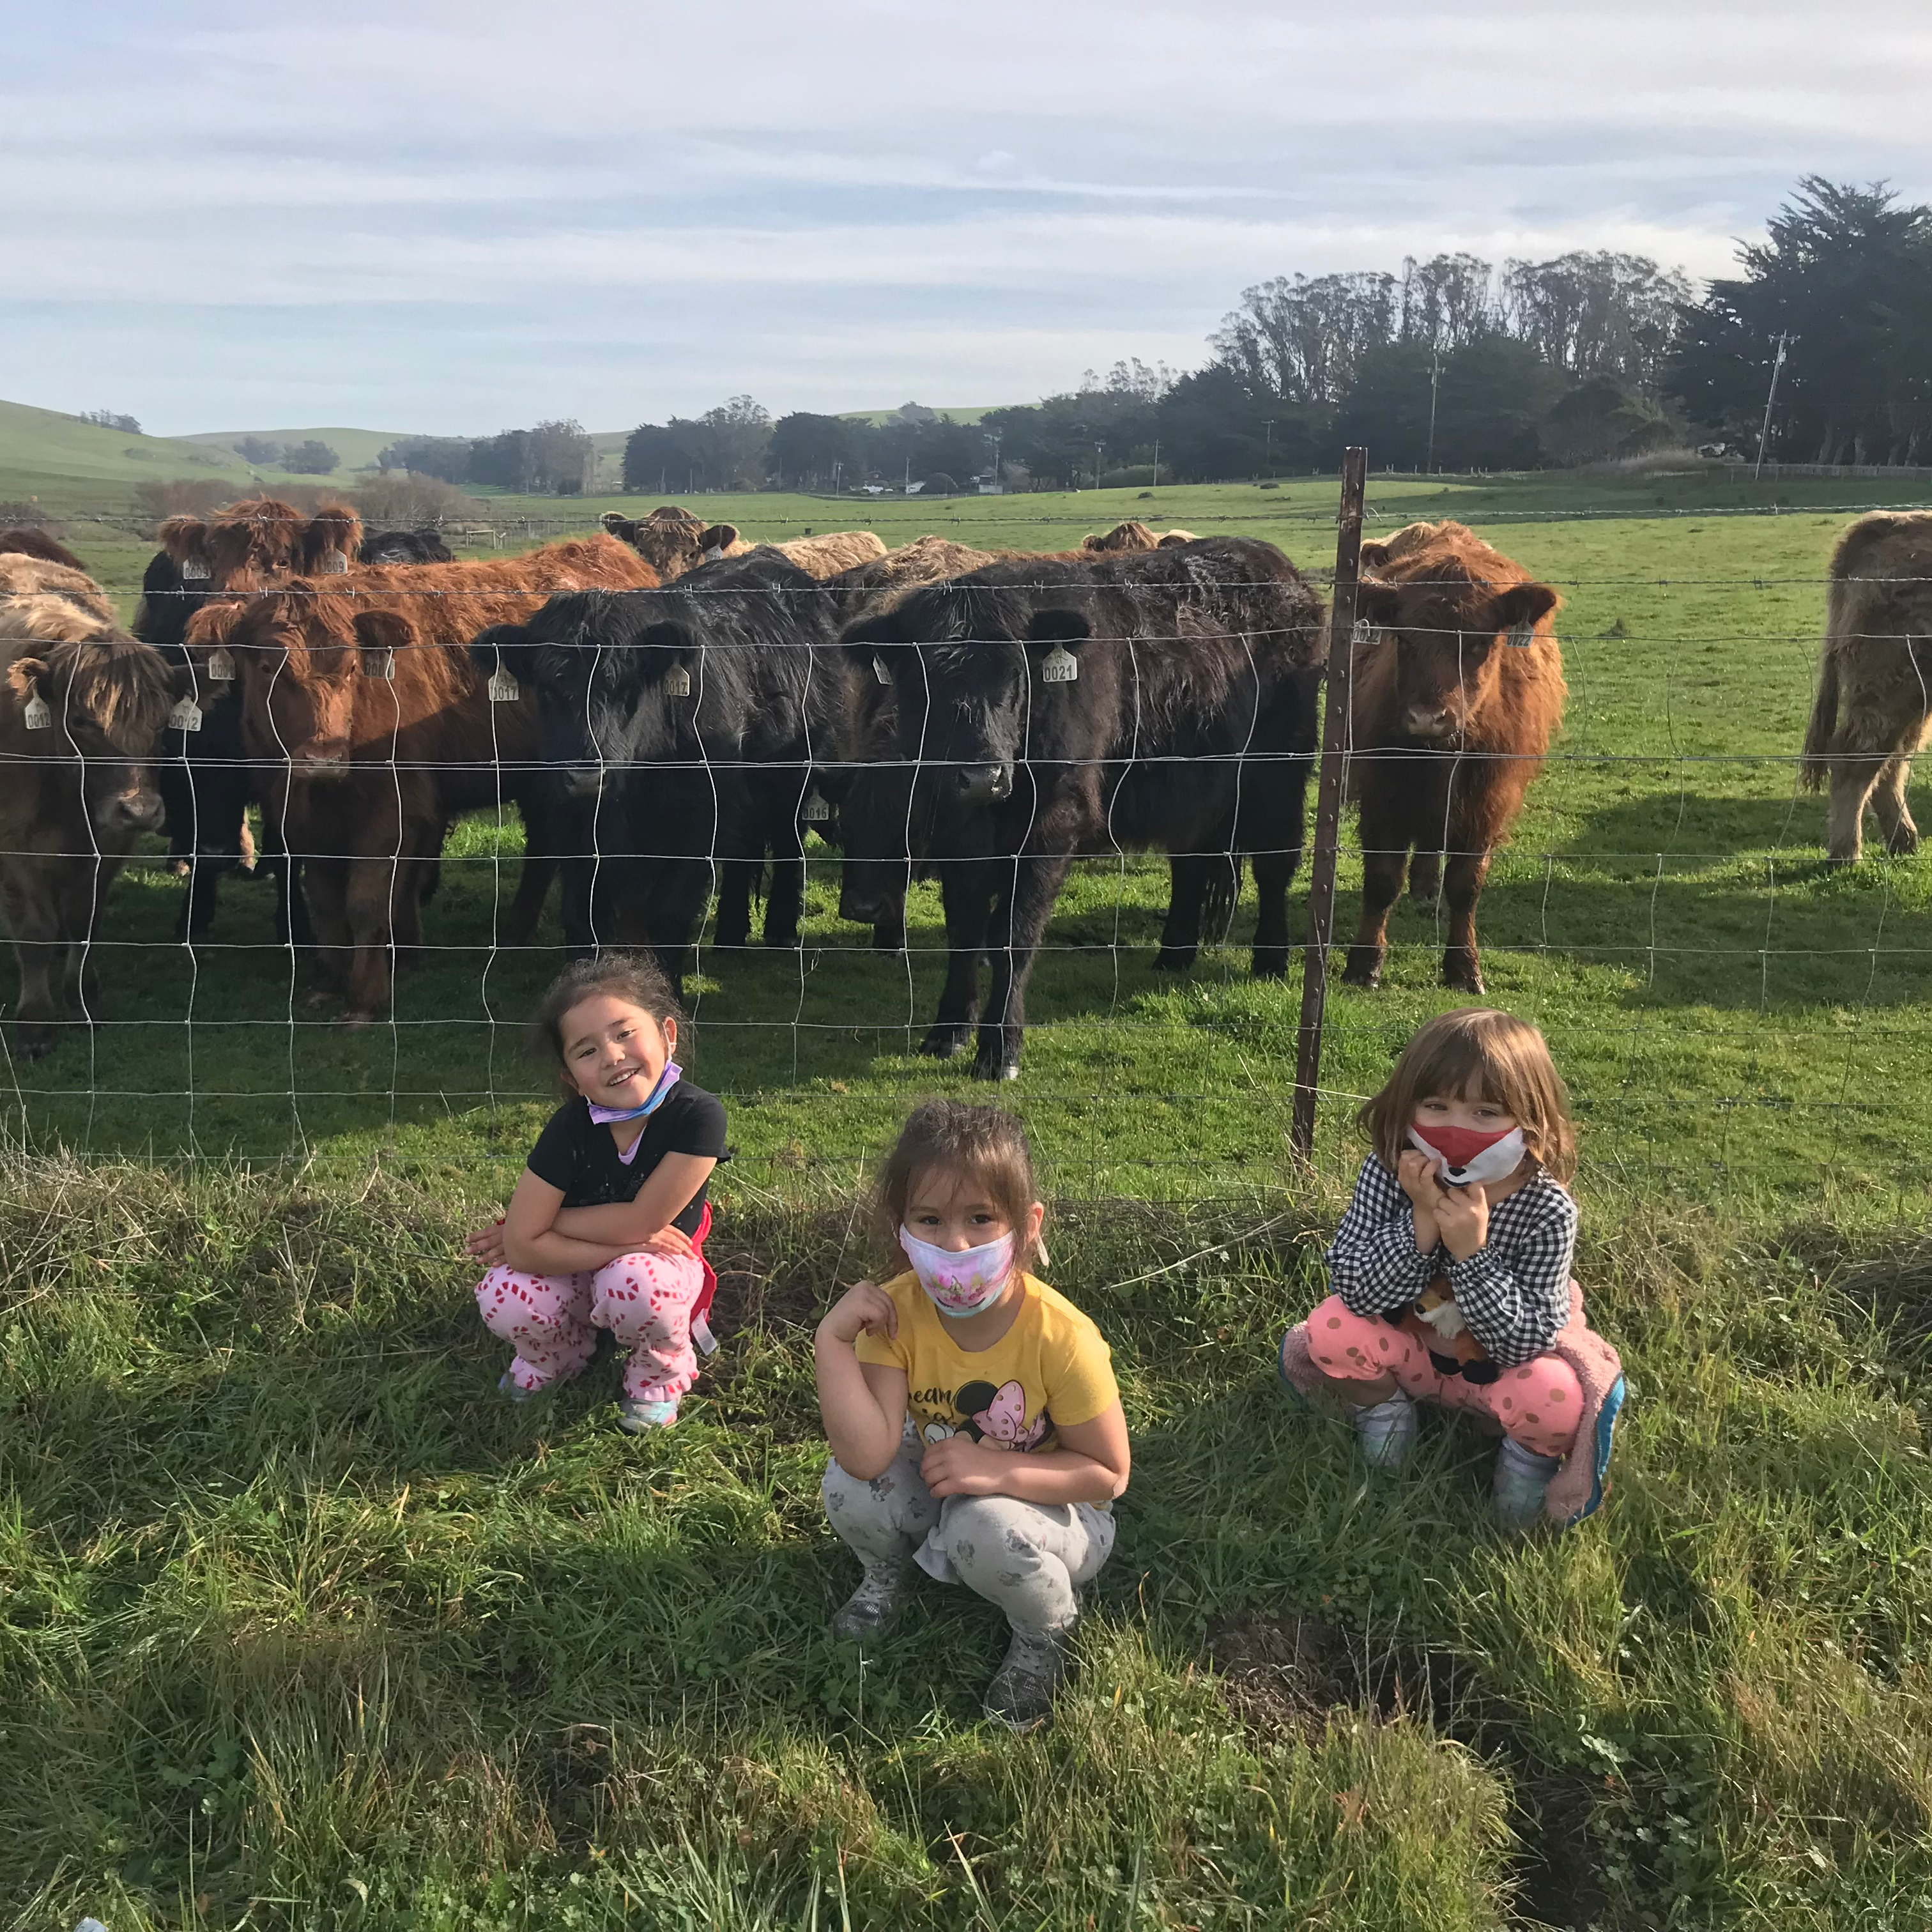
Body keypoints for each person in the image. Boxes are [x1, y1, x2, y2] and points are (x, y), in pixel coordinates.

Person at [814, 1100, 1130, 1731]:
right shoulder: (896, 1314)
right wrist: (831, 1343)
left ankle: (1045, 1633)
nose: (954, 1245)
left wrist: (996, 1472)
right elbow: (867, 1455)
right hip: (948, 1478)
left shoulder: (1062, 1336)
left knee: (981, 1526)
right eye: (929, 1220)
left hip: (1058, 1513)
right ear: (900, 1229)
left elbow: (1108, 1474)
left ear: (1028, 1224)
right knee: (848, 1488)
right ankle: (888, 1573)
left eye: (981, 1218)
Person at [1280, 1008, 1624, 1527]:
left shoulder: (1547, 1208)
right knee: (1329, 1328)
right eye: (1436, 1105)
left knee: (1557, 1397)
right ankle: (1384, 1409)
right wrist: (1421, 1222)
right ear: (1408, 1106)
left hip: (1497, 1373)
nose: (1456, 1129)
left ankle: (1524, 1463)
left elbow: (1526, 1343)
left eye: (1486, 1112)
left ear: (1530, 1122)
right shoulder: (1390, 1170)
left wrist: (1472, 1253)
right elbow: (1354, 1290)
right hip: (1412, 1351)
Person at [466, 954, 727, 1432]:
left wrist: (540, 1226)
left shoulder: (699, 1117)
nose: (611, 1056)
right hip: (580, 1263)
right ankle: (559, 1355)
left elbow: (641, 1221)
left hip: (657, 1267)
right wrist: (532, 1236)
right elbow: (525, 1248)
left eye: (625, 1033)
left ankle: (657, 1373)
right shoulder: (569, 1128)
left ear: (668, 1034)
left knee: (639, 1280)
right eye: (586, 1051)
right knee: (506, 1291)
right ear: (571, 1078)